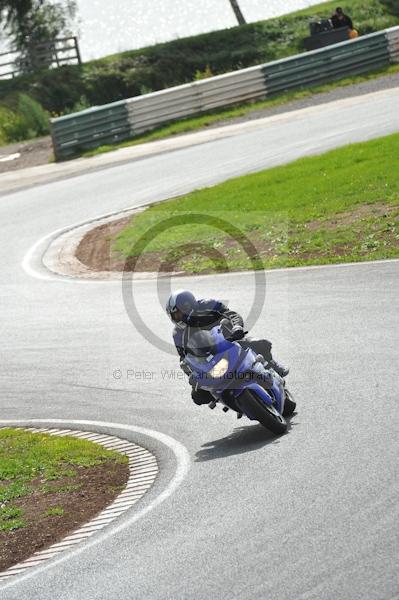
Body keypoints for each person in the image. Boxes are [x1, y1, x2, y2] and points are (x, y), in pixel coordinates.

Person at [166, 289, 289, 406]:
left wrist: (237, 327)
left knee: (259, 343)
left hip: (229, 341)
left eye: (178, 313)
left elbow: (231, 315)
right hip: (208, 360)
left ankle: (272, 366)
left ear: (187, 305)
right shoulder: (178, 333)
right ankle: (227, 398)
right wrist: (192, 374)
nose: (177, 318)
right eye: (174, 315)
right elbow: (184, 357)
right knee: (198, 396)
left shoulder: (208, 305)